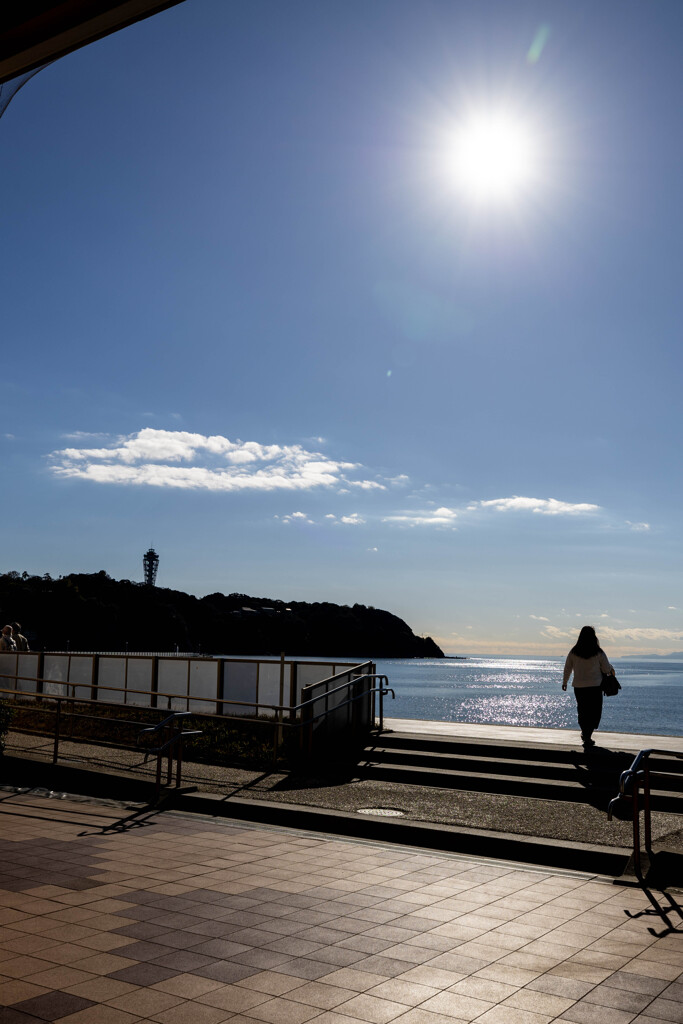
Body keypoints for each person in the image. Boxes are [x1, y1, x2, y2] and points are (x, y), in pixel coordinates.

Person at [562, 625, 614, 748]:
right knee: (594, 712)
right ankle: (587, 735)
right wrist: (611, 669)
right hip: (595, 687)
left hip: (579, 687)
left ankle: (585, 733)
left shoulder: (574, 651)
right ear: (594, 636)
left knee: (582, 710)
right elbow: (606, 669)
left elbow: (567, 668)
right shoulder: (598, 652)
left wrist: (565, 682)